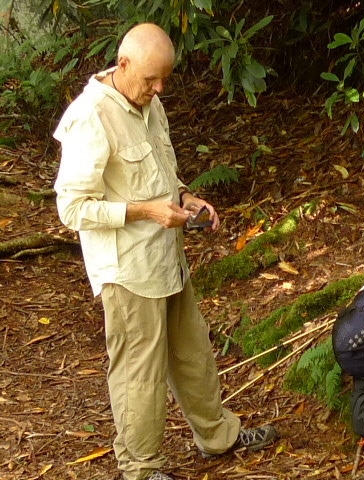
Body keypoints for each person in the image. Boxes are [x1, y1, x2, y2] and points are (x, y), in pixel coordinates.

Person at [53, 23, 276, 480]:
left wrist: (183, 197)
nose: (159, 89)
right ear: (124, 63)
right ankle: (140, 468)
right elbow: (71, 207)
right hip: (129, 270)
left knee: (193, 354)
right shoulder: (90, 116)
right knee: (140, 373)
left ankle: (218, 436)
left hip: (166, 258)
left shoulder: (148, 103)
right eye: (152, 79)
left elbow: (159, 172)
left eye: (164, 80)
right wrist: (147, 212)